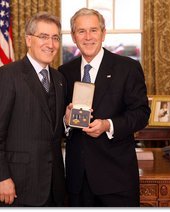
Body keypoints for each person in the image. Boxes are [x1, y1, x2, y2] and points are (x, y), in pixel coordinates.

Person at [58, 8, 151, 207]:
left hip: (116, 179)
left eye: (93, 30)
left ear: (103, 33)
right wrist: (66, 121)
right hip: (77, 182)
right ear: (74, 37)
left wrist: (108, 125)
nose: (88, 37)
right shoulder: (64, 72)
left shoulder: (127, 68)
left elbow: (142, 114)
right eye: (81, 31)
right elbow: (54, 121)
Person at [0, 12, 66, 207]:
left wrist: (66, 121)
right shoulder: (7, 76)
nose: (50, 44)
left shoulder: (59, 79)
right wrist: (1, 177)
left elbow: (51, 128)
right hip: (18, 185)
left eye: (55, 38)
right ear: (29, 40)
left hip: (55, 186)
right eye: (43, 37)